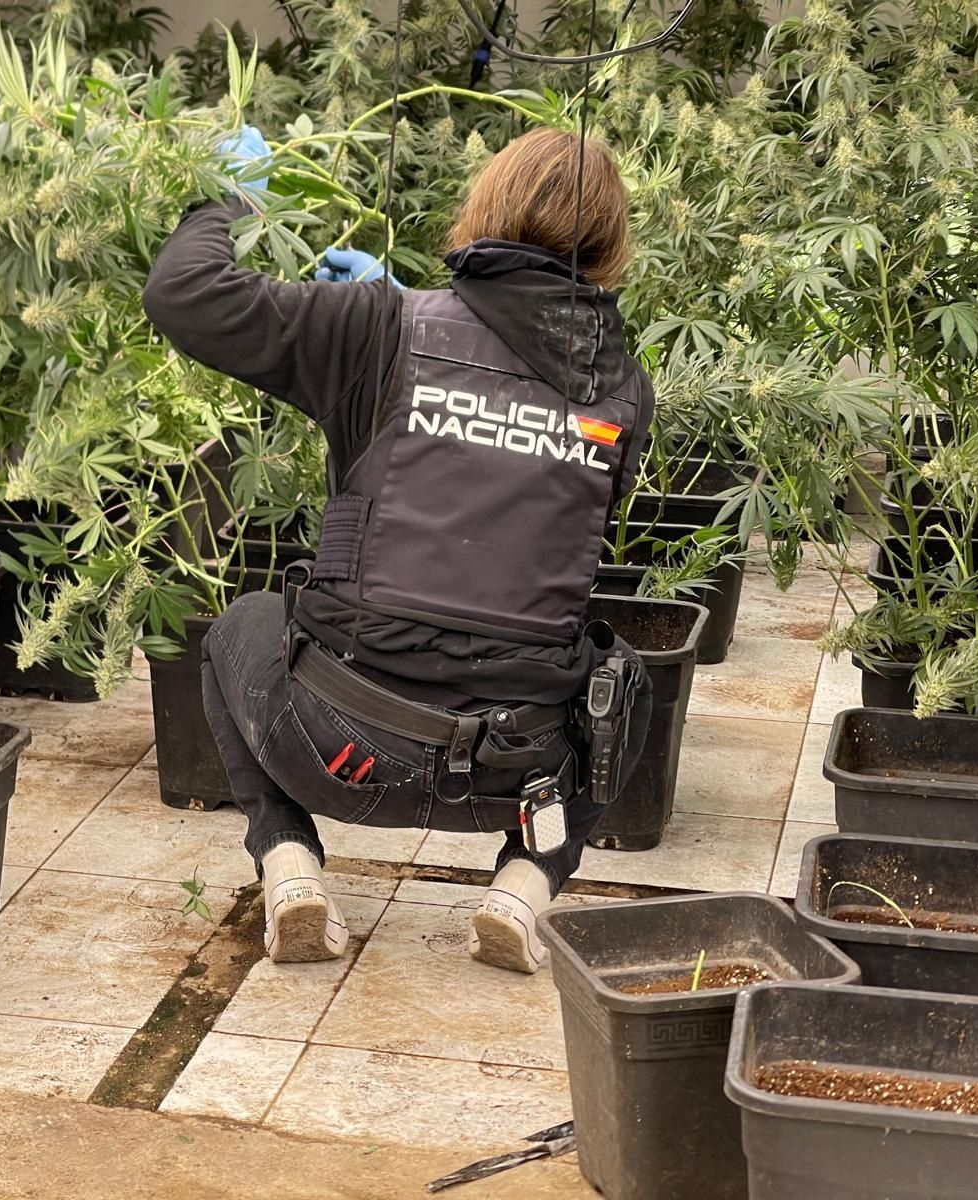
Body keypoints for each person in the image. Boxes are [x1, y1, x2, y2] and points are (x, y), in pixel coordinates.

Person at [141, 125, 654, 974]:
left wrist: (233, 194)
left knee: (241, 623)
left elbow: (185, 291)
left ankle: (289, 863)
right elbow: (527, 454)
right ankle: (523, 885)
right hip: (517, 764)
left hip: (338, 746)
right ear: (606, 245)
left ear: (482, 210)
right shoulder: (625, 390)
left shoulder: (378, 328)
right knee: (623, 681)